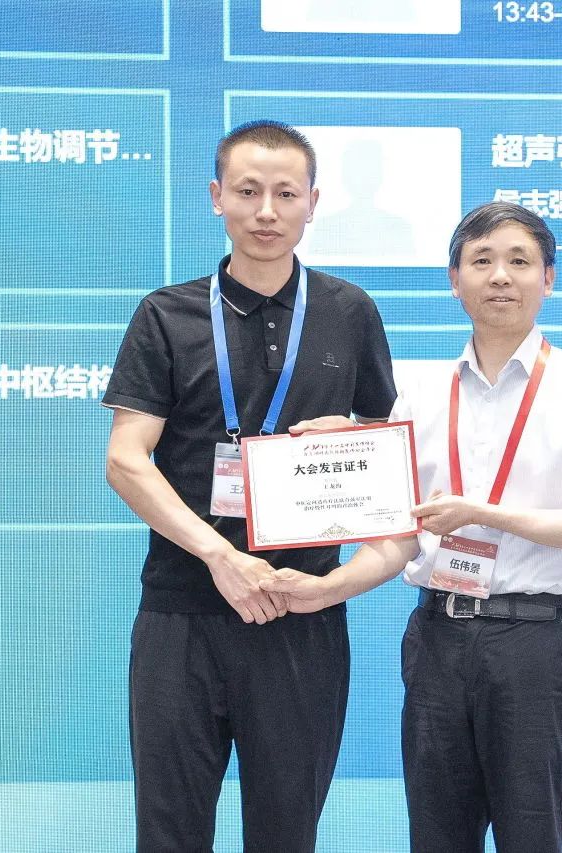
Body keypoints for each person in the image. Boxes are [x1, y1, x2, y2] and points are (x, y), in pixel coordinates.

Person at [262, 201, 562, 852]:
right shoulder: (419, 391)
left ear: (548, 279)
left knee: (531, 835)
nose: (501, 276)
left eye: (520, 261)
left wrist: (480, 514)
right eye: (482, 260)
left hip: (533, 644)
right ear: (454, 280)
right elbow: (401, 534)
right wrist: (327, 585)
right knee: (436, 836)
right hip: (438, 638)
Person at [102, 120, 397, 852]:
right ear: (217, 197)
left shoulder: (350, 312)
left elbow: (384, 453)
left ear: (312, 203)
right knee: (169, 834)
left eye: (286, 194)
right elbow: (126, 459)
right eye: (248, 191)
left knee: (287, 834)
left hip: (301, 612)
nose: (267, 210)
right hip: (184, 612)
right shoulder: (166, 314)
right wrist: (220, 557)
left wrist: (350, 442)